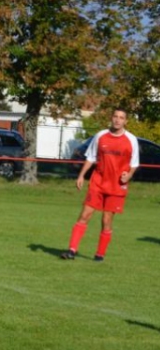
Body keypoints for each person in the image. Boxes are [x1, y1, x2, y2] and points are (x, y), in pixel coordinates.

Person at [61, 108, 139, 262]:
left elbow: (134, 163)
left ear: (126, 121)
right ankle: (71, 250)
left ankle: (100, 254)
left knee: (106, 220)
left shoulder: (131, 140)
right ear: (111, 118)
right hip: (98, 182)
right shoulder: (100, 136)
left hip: (116, 186)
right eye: (115, 116)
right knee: (85, 215)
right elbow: (90, 157)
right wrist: (82, 175)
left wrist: (129, 175)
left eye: (121, 117)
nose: (117, 120)